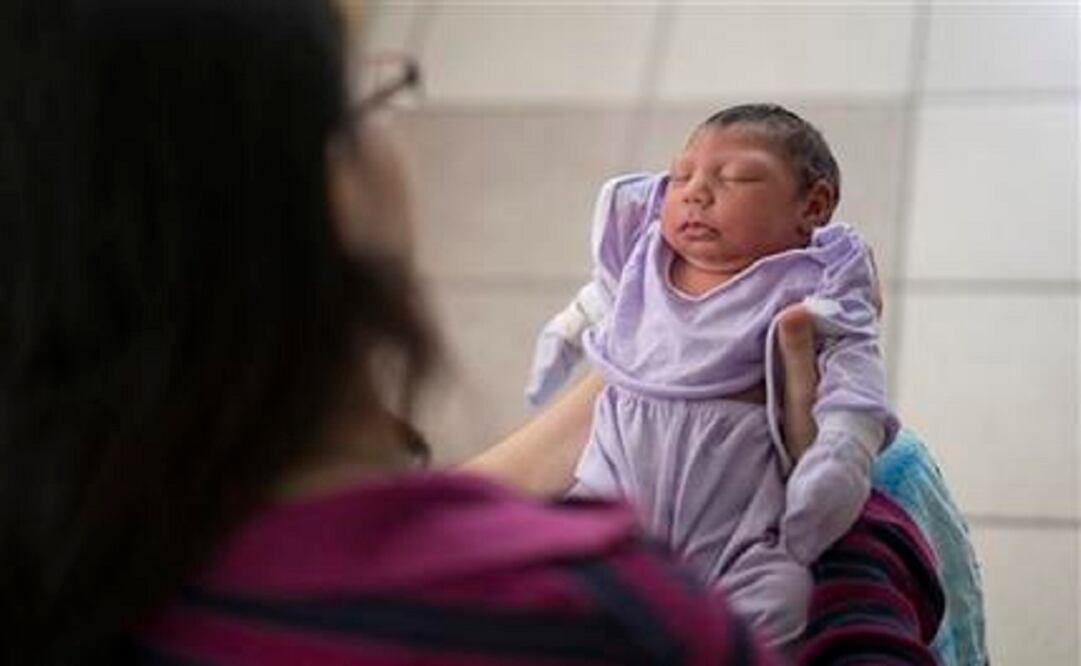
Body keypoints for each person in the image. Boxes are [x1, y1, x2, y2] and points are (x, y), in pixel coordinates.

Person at [1, 1, 787, 664]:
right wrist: (866, 546)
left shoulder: (70, 567)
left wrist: (626, 380)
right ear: (329, 194)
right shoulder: (608, 619)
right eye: (363, 100)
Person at [525, 105, 895, 645]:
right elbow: (602, 296)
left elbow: (855, 381)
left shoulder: (811, 282)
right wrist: (566, 331)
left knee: (781, 598)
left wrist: (842, 449)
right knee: (562, 576)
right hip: (614, 488)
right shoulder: (646, 256)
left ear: (812, 206)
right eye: (681, 175)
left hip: (735, 523)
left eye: (736, 177)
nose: (695, 191)